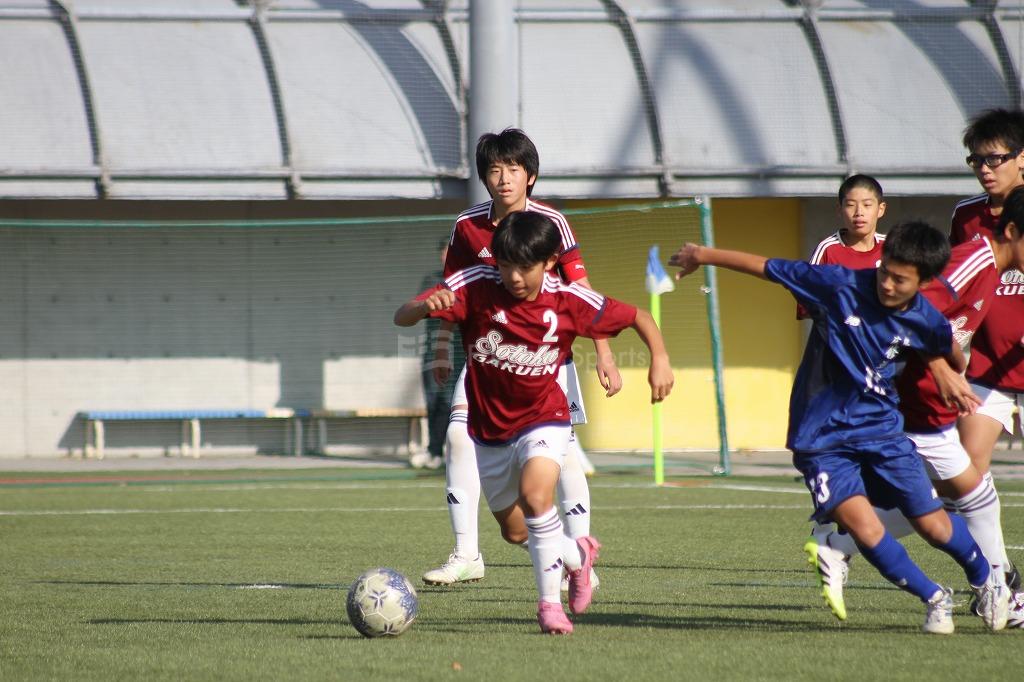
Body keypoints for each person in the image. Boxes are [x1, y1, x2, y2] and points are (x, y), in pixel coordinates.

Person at [669, 221, 1010, 634]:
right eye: (884, 270)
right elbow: (766, 267)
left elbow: (948, 348)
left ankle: (987, 581)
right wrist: (702, 255)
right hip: (821, 436)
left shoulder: (927, 319)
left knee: (933, 525)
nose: (886, 283)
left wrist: (944, 365)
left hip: (882, 431)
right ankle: (934, 597)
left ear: (923, 282)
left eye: (899, 280)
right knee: (865, 530)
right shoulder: (838, 284)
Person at [395, 211, 673, 634]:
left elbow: (640, 317)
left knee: (536, 495)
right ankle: (579, 556)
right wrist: (422, 307)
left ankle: (549, 607)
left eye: (525, 267)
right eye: (506, 265)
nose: (514, 276)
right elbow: (402, 316)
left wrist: (660, 360)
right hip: (490, 429)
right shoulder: (475, 286)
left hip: (545, 417)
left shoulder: (567, 299)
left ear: (548, 262)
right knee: (515, 532)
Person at [805, 187, 1024, 627]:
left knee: (966, 493)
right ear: (1014, 231)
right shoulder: (974, 261)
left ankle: (997, 589)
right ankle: (998, 590)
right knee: (953, 501)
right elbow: (914, 310)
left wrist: (949, 363)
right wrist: (941, 368)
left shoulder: (989, 265)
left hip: (928, 399)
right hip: (915, 400)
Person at [424, 128, 619, 587]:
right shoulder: (467, 226)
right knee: (457, 439)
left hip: (547, 359)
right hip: (486, 359)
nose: (504, 178)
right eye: (495, 170)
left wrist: (605, 350)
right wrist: (439, 345)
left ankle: (580, 562)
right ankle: (467, 553)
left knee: (566, 457)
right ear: (484, 178)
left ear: (530, 176)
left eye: (513, 169)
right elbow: (449, 293)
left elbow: (582, 292)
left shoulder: (551, 221)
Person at [948, 108, 1024, 594]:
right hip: (988, 371)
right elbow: (963, 293)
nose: (984, 168)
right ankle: (1000, 581)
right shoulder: (965, 216)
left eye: (995, 157)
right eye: (976, 159)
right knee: (963, 476)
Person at [411, 240, 467, 470]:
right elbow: (419, 309)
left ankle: (454, 450)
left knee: (454, 403)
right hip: (434, 352)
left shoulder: (467, 281)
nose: (446, 257)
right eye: (443, 253)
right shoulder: (432, 281)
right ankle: (434, 451)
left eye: (450, 253)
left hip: (463, 352)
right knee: (434, 401)